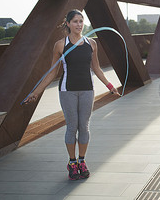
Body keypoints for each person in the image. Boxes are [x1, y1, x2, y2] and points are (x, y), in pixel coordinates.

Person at [25, 9, 120, 180]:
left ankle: (82, 161)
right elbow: (52, 73)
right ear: (68, 24)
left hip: (87, 90)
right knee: (72, 126)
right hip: (67, 91)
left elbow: (96, 68)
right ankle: (72, 162)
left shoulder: (91, 43)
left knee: (84, 126)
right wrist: (36, 92)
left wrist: (110, 86)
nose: (79, 24)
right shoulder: (60, 45)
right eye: (75, 21)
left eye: (81, 21)